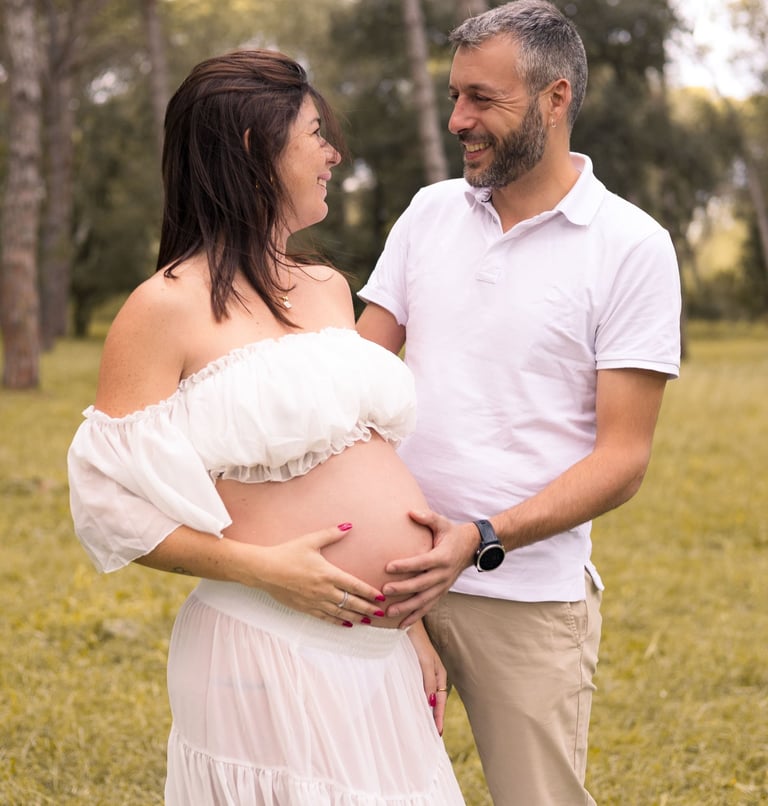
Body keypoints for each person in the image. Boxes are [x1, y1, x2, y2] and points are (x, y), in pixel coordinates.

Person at [67, 49, 465, 805]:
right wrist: (262, 568)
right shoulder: (164, 306)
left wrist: (407, 630)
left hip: (375, 655)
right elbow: (107, 507)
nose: (332, 155)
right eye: (315, 133)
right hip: (260, 644)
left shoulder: (326, 288)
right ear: (255, 146)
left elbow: (362, 455)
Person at [356, 2, 682, 804]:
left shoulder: (632, 246)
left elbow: (623, 458)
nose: (459, 119)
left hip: (528, 601)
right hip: (387, 582)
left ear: (555, 98)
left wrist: (480, 538)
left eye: (482, 100)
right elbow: (354, 383)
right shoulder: (429, 212)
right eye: (455, 95)